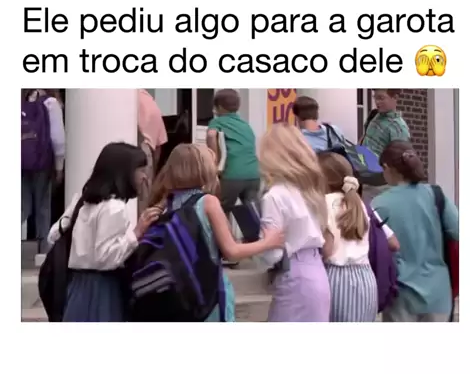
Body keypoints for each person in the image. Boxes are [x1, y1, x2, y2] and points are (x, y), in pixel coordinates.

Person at [147, 143, 285, 321]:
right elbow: (232, 252)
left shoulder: (166, 203)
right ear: (202, 169)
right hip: (209, 290)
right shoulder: (207, 202)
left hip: (179, 290)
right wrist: (268, 242)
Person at [48, 143, 160, 322]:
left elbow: (53, 235)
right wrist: (136, 233)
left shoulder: (83, 201)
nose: (144, 176)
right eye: (140, 170)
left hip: (77, 286)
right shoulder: (114, 208)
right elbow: (106, 257)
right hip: (102, 288)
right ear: (124, 172)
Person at [373, 141, 459, 322]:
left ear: (387, 167)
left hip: (400, 295)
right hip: (439, 293)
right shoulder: (436, 195)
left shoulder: (379, 204)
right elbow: (458, 231)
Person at [259, 123, 332, 322]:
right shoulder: (311, 192)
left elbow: (272, 254)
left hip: (294, 273)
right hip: (317, 271)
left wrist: (256, 247)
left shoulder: (275, 196)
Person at [317, 151, 398, 322]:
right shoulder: (359, 203)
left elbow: (327, 249)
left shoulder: (324, 203)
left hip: (336, 278)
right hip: (366, 278)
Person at [21, 89, 66, 256]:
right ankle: (44, 252)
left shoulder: (22, 101)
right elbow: (58, 139)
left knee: (23, 206)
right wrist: (59, 167)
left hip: (22, 161)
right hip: (42, 162)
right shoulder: (50, 103)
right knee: (42, 207)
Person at [206, 90, 260, 214]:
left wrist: (215, 161)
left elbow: (211, 135)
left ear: (219, 107)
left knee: (219, 211)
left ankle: (222, 227)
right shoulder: (245, 125)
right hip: (253, 174)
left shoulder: (218, 121)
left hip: (231, 175)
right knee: (252, 213)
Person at [137, 89, 168, 213]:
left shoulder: (129, 97)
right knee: (143, 201)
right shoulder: (150, 101)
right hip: (147, 152)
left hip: (134, 147)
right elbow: (159, 145)